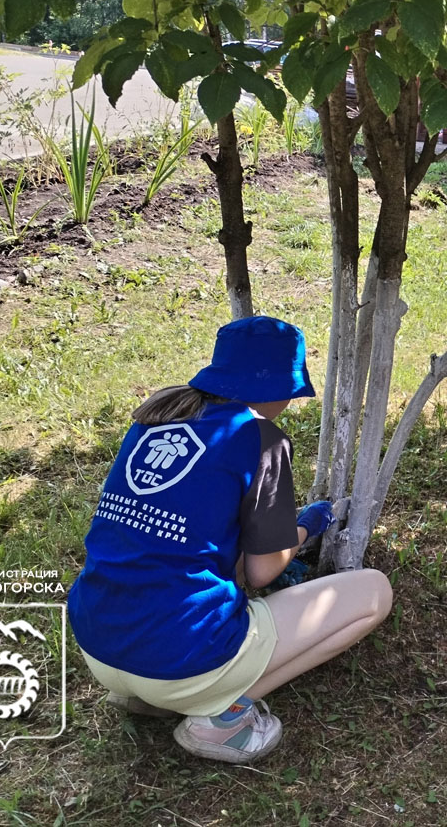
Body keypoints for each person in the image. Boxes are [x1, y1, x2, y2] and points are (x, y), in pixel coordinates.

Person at [69, 316, 393, 764]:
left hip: (99, 646)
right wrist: (303, 528)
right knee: (374, 591)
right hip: (182, 656)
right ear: (281, 386)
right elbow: (263, 572)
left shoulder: (156, 416)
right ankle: (219, 716)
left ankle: (152, 698)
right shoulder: (260, 438)